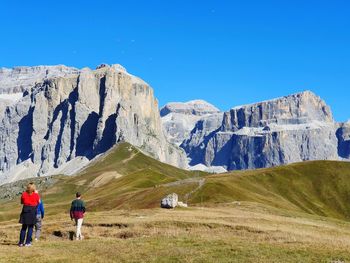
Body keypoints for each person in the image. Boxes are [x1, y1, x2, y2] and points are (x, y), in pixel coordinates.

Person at [18, 183, 40, 247]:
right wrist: (36, 194)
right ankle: (28, 243)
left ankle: (21, 243)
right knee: (30, 228)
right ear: (34, 188)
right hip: (32, 211)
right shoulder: (36, 195)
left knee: (24, 227)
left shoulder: (24, 194)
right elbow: (38, 202)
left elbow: (22, 202)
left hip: (25, 210)